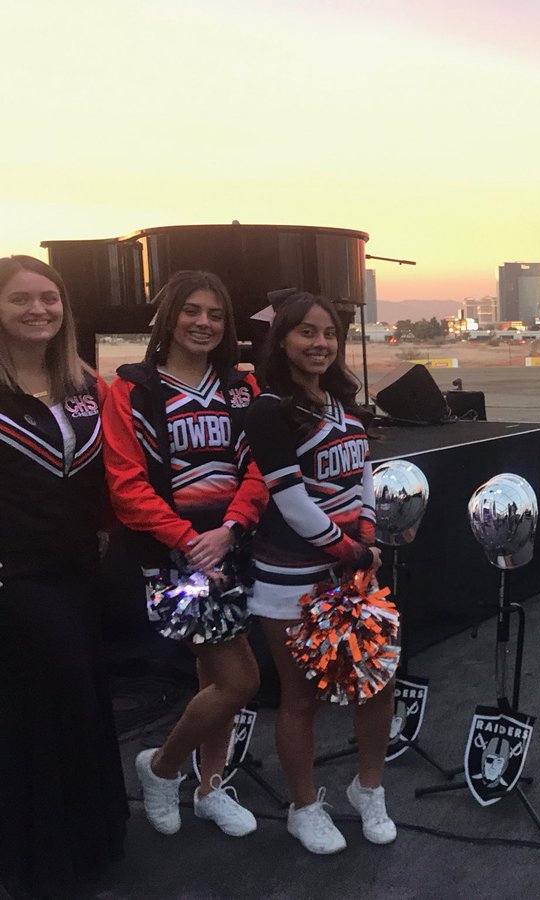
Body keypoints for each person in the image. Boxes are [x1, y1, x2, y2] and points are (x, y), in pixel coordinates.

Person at [102, 270, 267, 839]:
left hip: (231, 541)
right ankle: (162, 767)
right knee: (239, 679)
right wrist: (188, 541)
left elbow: (262, 467)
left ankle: (209, 786)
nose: (203, 323)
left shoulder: (243, 388)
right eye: (192, 311)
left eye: (216, 315)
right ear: (169, 317)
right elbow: (125, 484)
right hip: (177, 555)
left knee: (213, 673)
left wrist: (231, 527)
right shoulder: (132, 390)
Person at [243, 289, 392, 855]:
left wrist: (369, 537)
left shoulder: (338, 403)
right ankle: (305, 806)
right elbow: (290, 500)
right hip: (290, 577)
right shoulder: (268, 408)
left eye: (329, 333)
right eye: (307, 332)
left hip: (350, 569)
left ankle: (369, 788)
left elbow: (364, 477)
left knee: (375, 682)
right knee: (300, 696)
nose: (321, 343)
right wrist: (351, 552)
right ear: (281, 339)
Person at [0, 256, 127, 899]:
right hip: (14, 575)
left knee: (79, 697)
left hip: (77, 568)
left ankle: (87, 840)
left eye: (49, 298)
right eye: (21, 299)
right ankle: (38, 855)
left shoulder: (80, 382)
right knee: (41, 704)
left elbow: (105, 473)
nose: (39, 310)